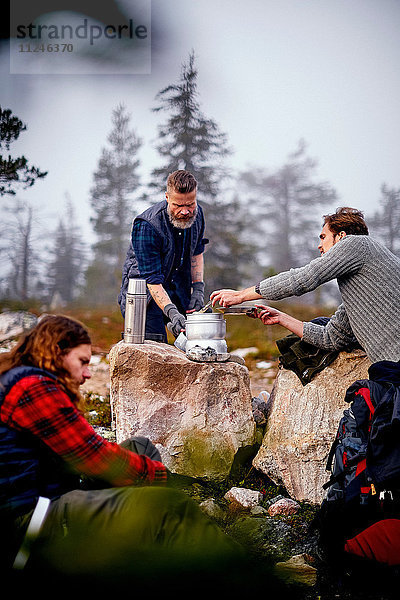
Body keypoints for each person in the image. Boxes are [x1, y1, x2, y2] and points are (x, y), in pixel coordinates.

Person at [0, 315, 241, 588]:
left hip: (51, 491)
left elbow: (86, 449)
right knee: (169, 507)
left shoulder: (24, 378)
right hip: (31, 519)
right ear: (57, 353)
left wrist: (141, 470)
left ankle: (138, 541)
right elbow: (92, 458)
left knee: (140, 447)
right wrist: (158, 475)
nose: (89, 374)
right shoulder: (33, 388)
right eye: (82, 362)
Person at [211, 207, 400, 363]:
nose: (319, 245)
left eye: (323, 237)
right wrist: (282, 318)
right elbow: (331, 338)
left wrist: (241, 295)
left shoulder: (358, 244)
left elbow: (304, 278)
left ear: (341, 236)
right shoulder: (361, 287)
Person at [118, 170, 208, 342]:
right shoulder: (147, 225)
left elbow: (197, 252)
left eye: (190, 204)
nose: (185, 212)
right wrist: (172, 312)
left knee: (194, 345)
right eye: (177, 205)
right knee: (154, 349)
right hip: (145, 297)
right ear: (167, 198)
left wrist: (198, 289)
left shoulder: (198, 214)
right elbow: (152, 280)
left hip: (179, 289)